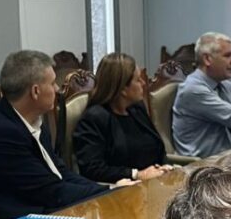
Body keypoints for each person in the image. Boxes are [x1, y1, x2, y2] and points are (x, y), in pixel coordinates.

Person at [0, 50, 112, 219]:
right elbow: (51, 192)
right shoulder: (2, 134)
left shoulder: (32, 121)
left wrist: (106, 190)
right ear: (35, 91)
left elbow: (60, 173)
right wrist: (108, 191)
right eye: (53, 83)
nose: (58, 89)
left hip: (38, 212)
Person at [73, 53, 173, 183]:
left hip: (153, 183)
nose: (144, 83)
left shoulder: (137, 109)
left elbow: (157, 147)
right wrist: (136, 174)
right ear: (122, 89)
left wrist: (163, 166)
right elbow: (92, 169)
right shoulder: (94, 118)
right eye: (138, 80)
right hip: (121, 189)